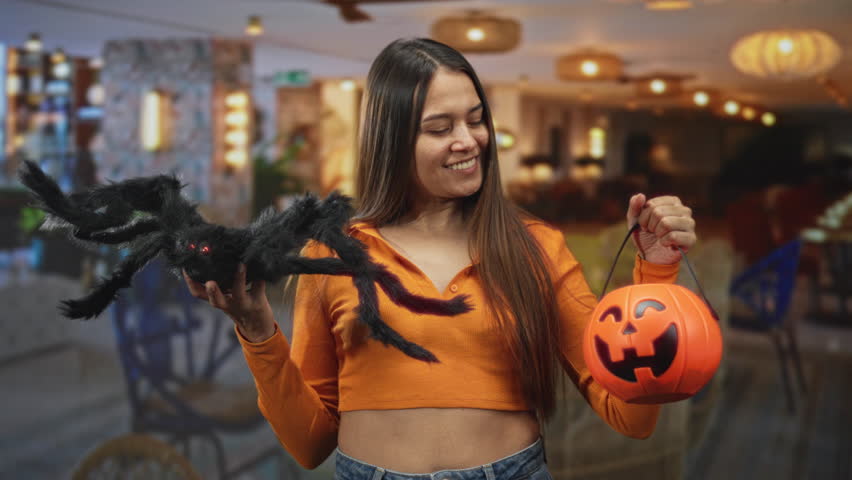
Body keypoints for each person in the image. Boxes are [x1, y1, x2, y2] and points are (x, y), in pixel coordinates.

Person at [183, 38, 697, 479]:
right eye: (439, 127)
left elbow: (630, 417)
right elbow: (309, 443)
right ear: (392, 141)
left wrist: (655, 273)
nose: (468, 140)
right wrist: (256, 329)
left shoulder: (535, 246)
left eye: (476, 120)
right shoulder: (334, 253)